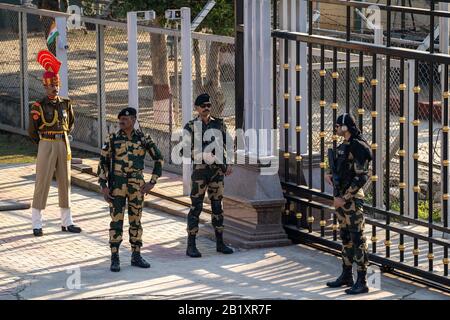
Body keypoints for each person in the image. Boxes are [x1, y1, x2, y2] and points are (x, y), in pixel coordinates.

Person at [98, 107, 164, 272]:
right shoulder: (113, 138)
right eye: (120, 119)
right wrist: (103, 186)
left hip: (136, 185)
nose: (122, 121)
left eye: (125, 119)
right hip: (117, 185)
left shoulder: (143, 138)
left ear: (133, 120)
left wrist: (152, 182)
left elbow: (159, 158)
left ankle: (136, 255)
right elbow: (103, 161)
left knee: (136, 220)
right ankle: (115, 256)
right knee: (116, 221)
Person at [28, 50, 81, 237]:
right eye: (52, 86)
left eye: (57, 85)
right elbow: (32, 130)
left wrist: (62, 138)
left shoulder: (66, 103)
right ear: (45, 86)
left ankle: (67, 222)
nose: (55, 88)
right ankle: (36, 223)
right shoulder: (39, 105)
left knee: (65, 182)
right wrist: (43, 143)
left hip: (62, 142)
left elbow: (71, 123)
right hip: (47, 143)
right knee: (42, 182)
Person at [325, 113, 372, 295]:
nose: (336, 128)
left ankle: (362, 280)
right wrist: (329, 174)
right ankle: (346, 275)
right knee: (345, 237)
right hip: (341, 199)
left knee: (357, 239)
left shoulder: (358, 147)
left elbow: (361, 177)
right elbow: (340, 168)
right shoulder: (342, 147)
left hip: (351, 200)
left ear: (345, 127)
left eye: (338, 125)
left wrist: (344, 197)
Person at [182, 93, 234, 258]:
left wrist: (229, 163)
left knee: (217, 207)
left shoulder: (219, 124)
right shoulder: (190, 127)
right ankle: (191, 245)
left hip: (217, 173)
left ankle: (220, 243)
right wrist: (202, 156)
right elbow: (183, 150)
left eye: (208, 105)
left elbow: (229, 143)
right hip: (200, 173)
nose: (206, 108)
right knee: (196, 207)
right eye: (203, 106)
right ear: (197, 108)